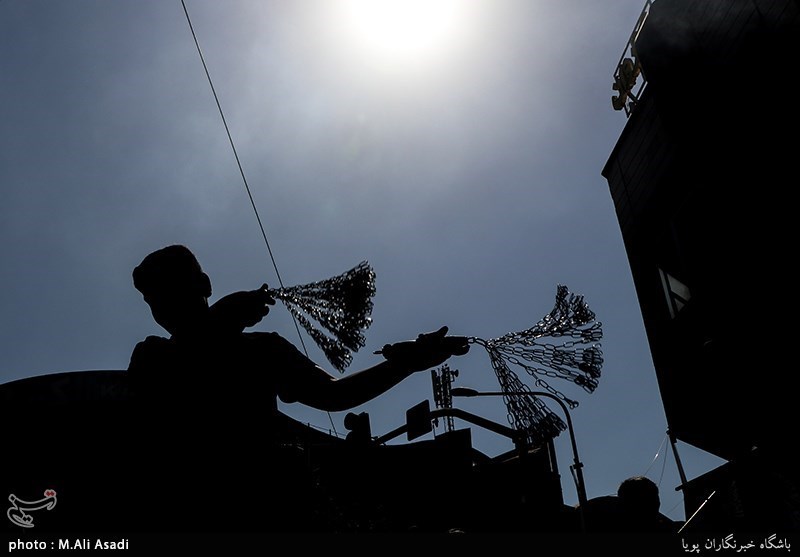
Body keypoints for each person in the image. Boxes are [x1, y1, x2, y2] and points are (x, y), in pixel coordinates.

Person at [126, 244, 469, 531]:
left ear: (203, 284)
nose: (162, 305)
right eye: (153, 299)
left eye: (169, 290)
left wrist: (406, 363)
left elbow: (335, 394)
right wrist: (220, 321)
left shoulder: (263, 350)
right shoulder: (153, 356)